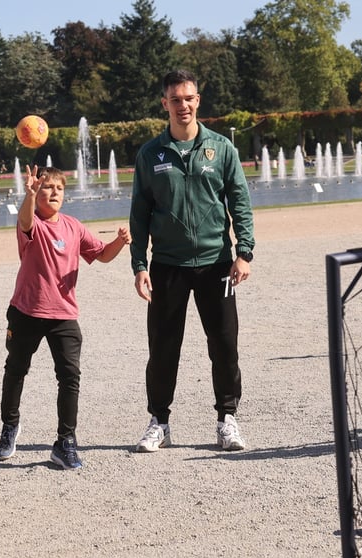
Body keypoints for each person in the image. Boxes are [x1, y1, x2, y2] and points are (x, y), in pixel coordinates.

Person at [129, 69, 255, 453]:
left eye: (189, 98)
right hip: (167, 264)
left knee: (224, 344)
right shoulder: (151, 154)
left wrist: (244, 252)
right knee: (163, 347)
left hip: (216, 262)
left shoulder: (222, 149)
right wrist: (139, 265)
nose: (182, 106)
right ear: (164, 104)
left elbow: (240, 202)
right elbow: (139, 214)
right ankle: (160, 423)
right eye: (175, 99)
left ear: (198, 101)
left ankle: (227, 420)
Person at [0, 165, 131, 470]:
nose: (54, 192)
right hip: (26, 312)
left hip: (63, 315)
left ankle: (65, 442)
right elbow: (26, 220)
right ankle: (9, 427)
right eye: (47, 187)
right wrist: (29, 195)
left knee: (70, 378)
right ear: (36, 191)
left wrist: (120, 242)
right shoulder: (32, 225)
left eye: (59, 188)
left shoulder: (73, 227)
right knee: (16, 370)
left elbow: (102, 255)